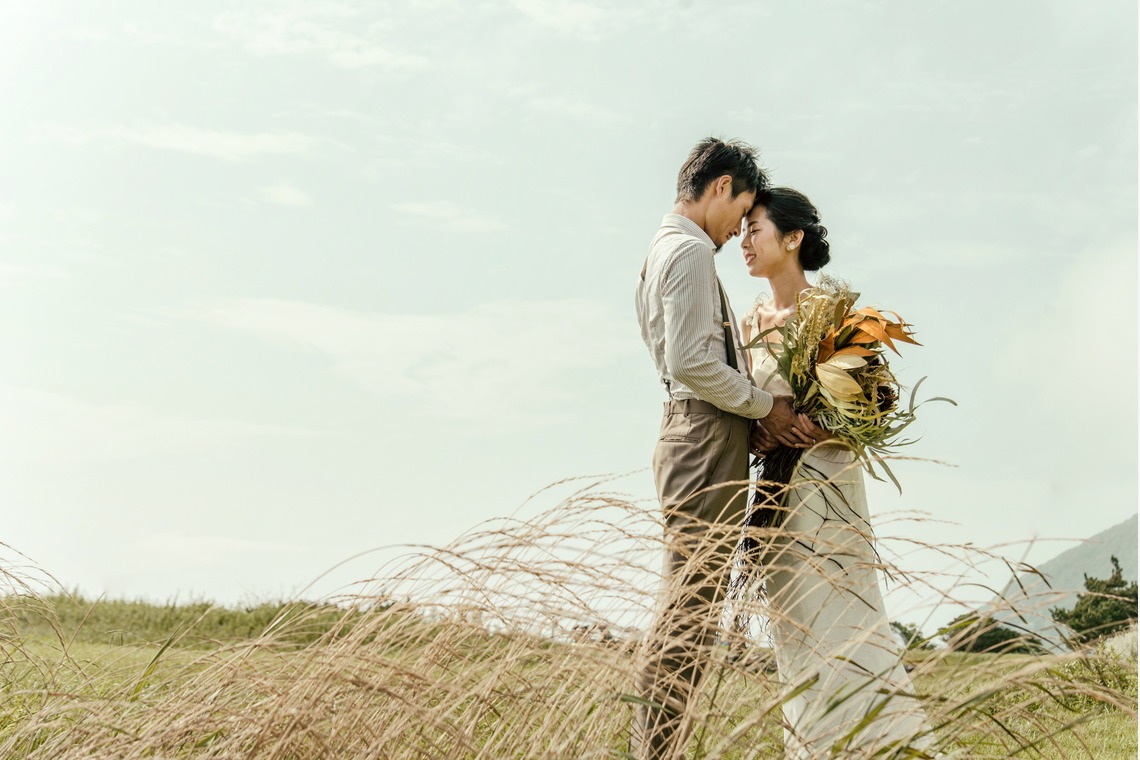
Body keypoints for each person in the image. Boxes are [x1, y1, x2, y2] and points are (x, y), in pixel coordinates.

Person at [632, 138, 818, 760]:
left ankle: (660, 747)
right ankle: (658, 750)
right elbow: (690, 362)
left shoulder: (662, 248)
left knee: (689, 604)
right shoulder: (687, 253)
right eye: (741, 209)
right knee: (688, 610)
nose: (740, 225)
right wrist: (769, 408)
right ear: (722, 186)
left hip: (698, 433)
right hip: (703, 436)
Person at [740, 187, 935, 757]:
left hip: (829, 489)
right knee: (794, 629)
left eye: (756, 228)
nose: (744, 241)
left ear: (792, 237)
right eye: (744, 230)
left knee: (845, 616)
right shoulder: (745, 321)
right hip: (774, 495)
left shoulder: (835, 316)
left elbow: (877, 407)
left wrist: (821, 430)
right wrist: (758, 432)